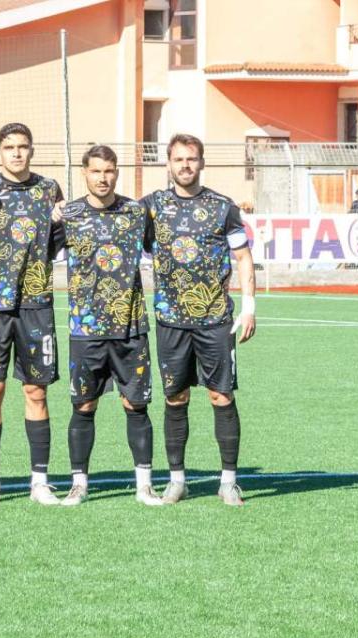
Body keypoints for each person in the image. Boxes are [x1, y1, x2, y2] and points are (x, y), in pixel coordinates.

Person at [142, 133, 256, 506]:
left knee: (220, 395)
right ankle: (177, 480)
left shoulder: (223, 207)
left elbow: (242, 258)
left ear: (202, 163)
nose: (185, 165)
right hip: (170, 321)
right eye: (178, 159)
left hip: (215, 321)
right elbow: (113, 219)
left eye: (192, 159)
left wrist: (249, 306)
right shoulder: (151, 208)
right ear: (169, 164)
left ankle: (228, 482)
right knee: (175, 398)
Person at [56, 145, 162, 507]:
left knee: (136, 406)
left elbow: (159, 251)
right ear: (84, 173)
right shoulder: (68, 215)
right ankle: (79, 484)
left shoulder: (136, 213)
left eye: (110, 171)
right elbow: (39, 252)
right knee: (83, 407)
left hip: (131, 329)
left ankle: (144, 485)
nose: (103, 178)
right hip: (85, 331)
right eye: (96, 171)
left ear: (117, 173)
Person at [0, 122, 64, 507]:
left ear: (32, 150)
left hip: (36, 304)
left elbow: (60, 240)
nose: (16, 153)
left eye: (23, 146)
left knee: (35, 391)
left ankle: (39, 481)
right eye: (9, 147)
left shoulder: (49, 190)